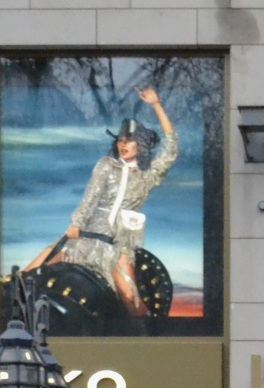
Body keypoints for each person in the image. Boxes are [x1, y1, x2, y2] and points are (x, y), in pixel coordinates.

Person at [35, 88, 177, 318]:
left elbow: (170, 148)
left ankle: (149, 337)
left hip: (119, 243)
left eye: (129, 140)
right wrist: (76, 223)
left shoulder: (148, 175)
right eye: (120, 139)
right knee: (34, 271)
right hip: (89, 234)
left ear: (140, 144)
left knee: (129, 296)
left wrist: (157, 105)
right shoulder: (106, 165)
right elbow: (90, 195)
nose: (123, 144)